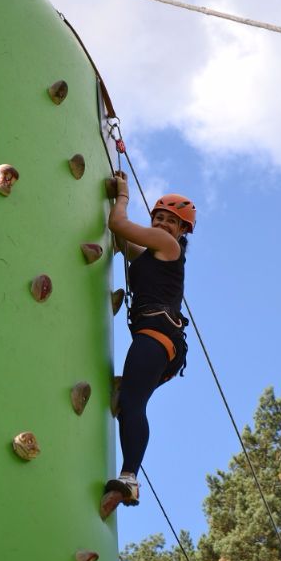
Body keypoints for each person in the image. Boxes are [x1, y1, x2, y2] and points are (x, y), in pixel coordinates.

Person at [104, 170, 196, 507]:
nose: (162, 224)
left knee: (132, 404)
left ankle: (129, 477)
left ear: (182, 230)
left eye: (171, 221)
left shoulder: (168, 245)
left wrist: (122, 195)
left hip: (158, 335)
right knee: (128, 402)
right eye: (158, 217)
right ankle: (128, 475)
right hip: (161, 342)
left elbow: (118, 225)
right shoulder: (153, 253)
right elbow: (123, 240)